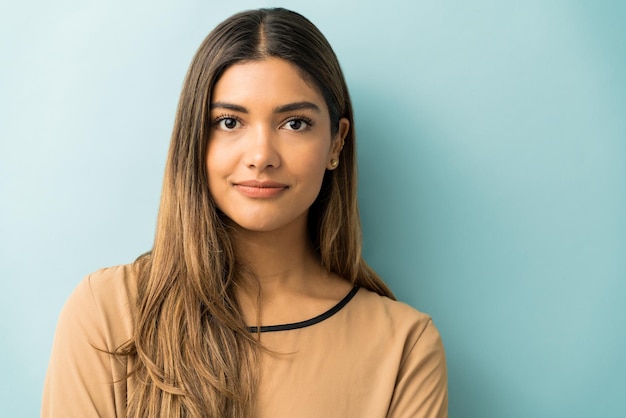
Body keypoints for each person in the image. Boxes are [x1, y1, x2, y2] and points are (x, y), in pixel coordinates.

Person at [42, 7, 448, 418]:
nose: (261, 156)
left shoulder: (404, 348)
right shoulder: (110, 312)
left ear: (337, 144)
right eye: (230, 121)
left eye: (294, 123)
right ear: (195, 138)